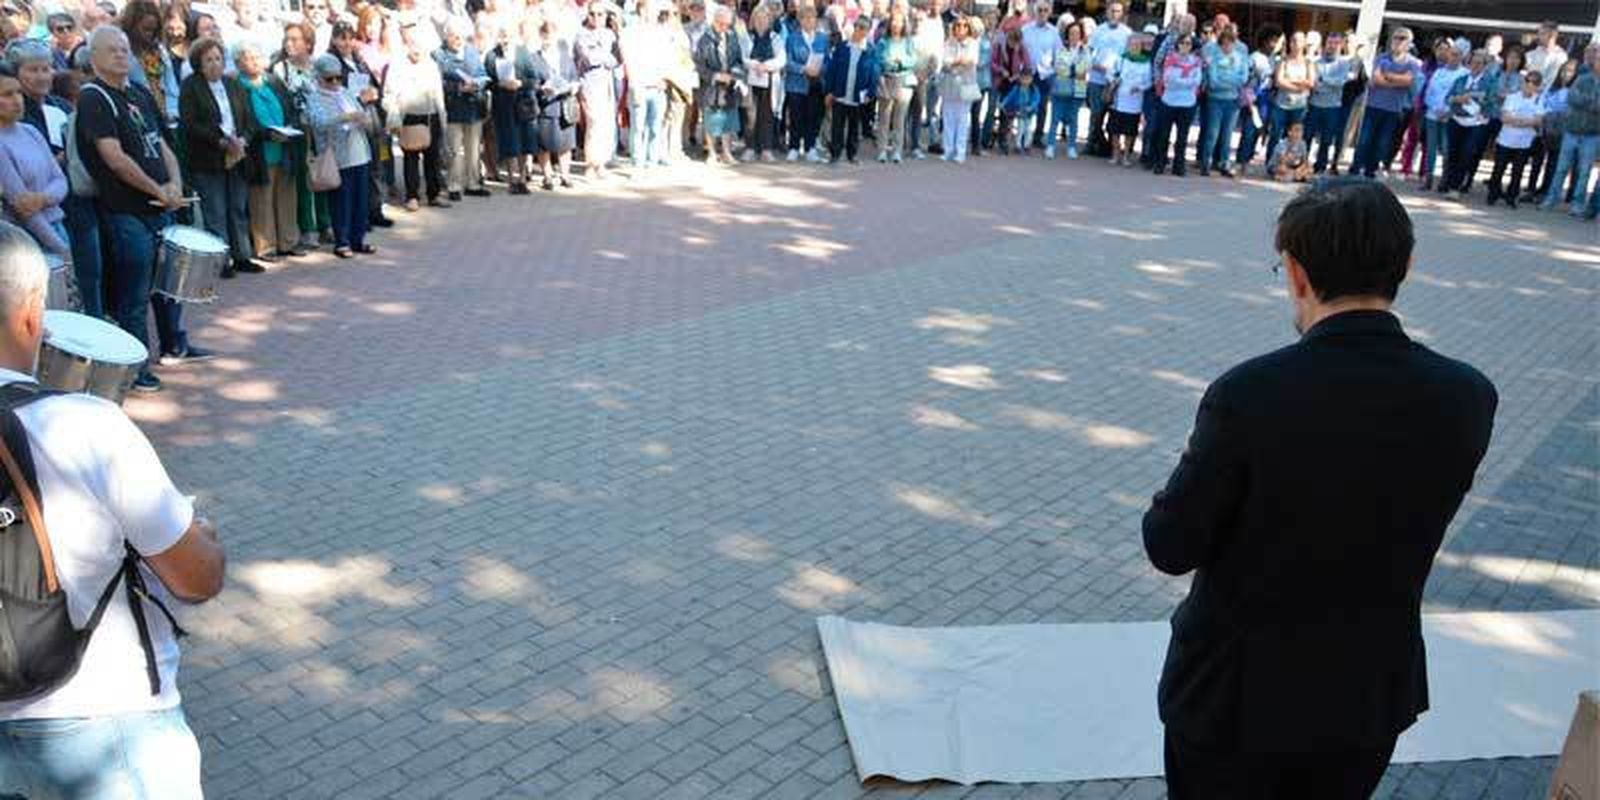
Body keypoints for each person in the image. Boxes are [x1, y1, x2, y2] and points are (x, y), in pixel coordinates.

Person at [1144, 178, 1497, 800]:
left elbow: (1171, 545)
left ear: (1297, 273)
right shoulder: (1466, 394)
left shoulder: (1249, 393)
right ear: (1406, 265)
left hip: (1236, 697)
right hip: (1365, 692)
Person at [0, 222, 225, 800]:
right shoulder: (84, 423)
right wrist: (203, 536)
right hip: (106, 720)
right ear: (31, 317)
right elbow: (195, 579)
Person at [78, 26, 213, 394]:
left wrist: (175, 185)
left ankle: (175, 344)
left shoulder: (137, 91)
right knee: (133, 295)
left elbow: (162, 144)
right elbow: (114, 158)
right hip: (126, 211)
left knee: (168, 285)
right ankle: (134, 368)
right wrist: (158, 189)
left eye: (125, 49)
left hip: (160, 207)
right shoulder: (93, 97)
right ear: (94, 57)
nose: (122, 55)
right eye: (112, 50)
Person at [179, 37, 260, 278]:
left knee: (237, 206)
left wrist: (243, 139)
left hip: (238, 154)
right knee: (215, 210)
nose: (215, 64)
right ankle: (221, 261)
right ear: (198, 64)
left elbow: (248, 118)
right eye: (208, 60)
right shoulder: (191, 86)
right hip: (209, 156)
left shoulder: (233, 84)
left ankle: (242, 255)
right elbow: (190, 123)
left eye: (218, 59)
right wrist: (220, 141)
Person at [236, 40, 303, 261]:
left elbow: (290, 106)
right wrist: (266, 134)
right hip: (260, 151)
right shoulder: (237, 87)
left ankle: (288, 241)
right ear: (238, 62)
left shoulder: (273, 81)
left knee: (287, 195)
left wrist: (291, 127)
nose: (254, 61)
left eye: (257, 56)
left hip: (284, 147)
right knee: (261, 199)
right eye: (248, 57)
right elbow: (244, 119)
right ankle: (266, 247)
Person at [306, 52, 375, 258]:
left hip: (359, 150)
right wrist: (343, 117)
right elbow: (318, 123)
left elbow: (361, 113)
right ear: (319, 78)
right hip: (337, 155)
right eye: (330, 78)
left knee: (360, 199)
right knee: (342, 200)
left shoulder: (345, 93)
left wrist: (364, 118)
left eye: (338, 77)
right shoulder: (315, 97)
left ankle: (358, 239)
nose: (335, 82)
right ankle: (342, 241)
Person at [272, 22, 330, 250]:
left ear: (308, 43)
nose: (290, 44)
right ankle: (307, 228)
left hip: (319, 129)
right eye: (287, 39)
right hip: (296, 131)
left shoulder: (318, 67)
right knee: (303, 179)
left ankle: (325, 223)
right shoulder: (280, 69)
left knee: (323, 174)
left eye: (295, 39)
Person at [0, 62, 67, 255]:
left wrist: (42, 198)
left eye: (18, 92)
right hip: (28, 241)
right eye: (7, 95)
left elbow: (60, 180)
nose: (17, 100)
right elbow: (24, 209)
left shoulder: (30, 132)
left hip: (58, 224)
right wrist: (61, 249)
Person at [384, 23, 449, 211]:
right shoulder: (397, 65)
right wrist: (394, 116)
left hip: (431, 116)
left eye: (421, 45)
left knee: (433, 157)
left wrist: (442, 118)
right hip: (410, 117)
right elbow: (389, 94)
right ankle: (412, 196)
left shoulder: (431, 65)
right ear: (407, 45)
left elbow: (439, 94)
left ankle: (433, 194)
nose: (417, 49)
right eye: (413, 44)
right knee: (410, 158)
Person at [1351, 27, 1420, 179]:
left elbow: (1408, 81)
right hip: (1373, 105)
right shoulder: (1381, 58)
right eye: (1396, 37)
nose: (1398, 41)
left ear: (1409, 43)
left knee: (1382, 143)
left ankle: (1370, 171)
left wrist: (1387, 77)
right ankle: (1355, 169)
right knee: (1364, 140)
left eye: (1402, 38)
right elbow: (1376, 79)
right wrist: (1397, 80)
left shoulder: (1413, 63)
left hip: (1394, 109)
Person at [1541, 42, 1598, 215]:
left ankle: (1577, 204)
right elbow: (1573, 98)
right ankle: (1551, 199)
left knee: (1584, 172)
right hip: (1572, 131)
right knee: (1561, 169)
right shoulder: (1582, 78)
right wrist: (1592, 103)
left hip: (1592, 134)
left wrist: (1586, 102)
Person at [436, 17, 490, 198]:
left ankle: (473, 183)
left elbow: (483, 74)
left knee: (473, 149)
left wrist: (479, 84)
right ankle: (453, 186)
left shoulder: (472, 51)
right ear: (446, 37)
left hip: (474, 107)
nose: (458, 40)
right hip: (453, 108)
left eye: (460, 36)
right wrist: (458, 88)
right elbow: (437, 82)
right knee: (454, 149)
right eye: (454, 36)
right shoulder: (438, 55)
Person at [621, 1, 671, 171]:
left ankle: (652, 162)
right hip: (640, 86)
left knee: (656, 127)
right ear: (642, 11)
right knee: (638, 127)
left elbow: (666, 58)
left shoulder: (661, 32)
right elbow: (628, 59)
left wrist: (664, 78)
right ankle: (637, 163)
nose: (656, 13)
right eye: (653, 10)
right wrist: (635, 83)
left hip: (658, 86)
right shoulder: (630, 32)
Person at [1436, 50, 1493, 199]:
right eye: (1473, 62)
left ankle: (1456, 187)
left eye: (1479, 63)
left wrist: (1474, 97)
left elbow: (1491, 101)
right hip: (1456, 120)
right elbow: (1448, 98)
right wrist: (1457, 99)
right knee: (1452, 153)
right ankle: (1448, 182)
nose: (1475, 66)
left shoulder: (1490, 81)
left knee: (1466, 154)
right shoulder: (1461, 79)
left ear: (1485, 66)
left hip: (1476, 123)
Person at [528, 19, 578, 190]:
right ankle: (547, 176)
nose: (548, 38)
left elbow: (574, 78)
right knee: (544, 143)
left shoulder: (565, 57)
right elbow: (531, 81)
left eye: (551, 34)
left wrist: (573, 87)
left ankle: (565, 175)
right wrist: (542, 88)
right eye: (545, 34)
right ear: (541, 35)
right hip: (546, 105)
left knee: (566, 142)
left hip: (565, 104)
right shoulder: (534, 58)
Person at [574, 3, 620, 177]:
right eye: (592, 14)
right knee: (593, 124)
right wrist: (604, 56)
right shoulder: (581, 34)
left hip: (606, 84)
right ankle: (590, 164)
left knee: (606, 124)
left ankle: (601, 162)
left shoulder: (609, 34)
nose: (596, 17)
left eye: (600, 14)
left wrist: (602, 55)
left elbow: (616, 59)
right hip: (589, 85)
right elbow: (589, 59)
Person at [823, 16, 876, 165]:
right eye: (858, 26)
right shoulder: (843, 46)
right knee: (837, 126)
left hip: (857, 96)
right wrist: (829, 91)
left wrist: (870, 94)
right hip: (840, 94)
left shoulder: (870, 50)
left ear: (867, 31)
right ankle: (835, 154)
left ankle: (852, 154)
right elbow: (832, 70)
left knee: (854, 127)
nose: (859, 30)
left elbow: (874, 73)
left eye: (863, 28)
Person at [695, 6, 744, 166]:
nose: (724, 27)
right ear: (715, 21)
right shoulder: (705, 39)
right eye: (722, 23)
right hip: (711, 86)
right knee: (711, 119)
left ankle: (727, 152)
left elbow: (738, 59)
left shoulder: (732, 36)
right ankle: (711, 152)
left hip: (729, 86)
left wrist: (734, 74)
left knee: (728, 119)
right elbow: (701, 66)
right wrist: (716, 76)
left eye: (727, 24)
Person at [1487, 70, 1543, 209]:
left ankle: (1511, 197)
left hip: (1524, 142)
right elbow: (1504, 118)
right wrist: (1525, 121)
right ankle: (1493, 194)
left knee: (1517, 171)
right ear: (1523, 82)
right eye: (1528, 81)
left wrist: (1516, 120)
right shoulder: (1512, 97)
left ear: (1538, 86)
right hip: (1505, 139)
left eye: (1534, 82)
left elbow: (1537, 121)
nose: (1530, 84)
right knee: (1499, 168)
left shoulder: (1539, 99)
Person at [1196, 24, 1245, 177]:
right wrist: (1230, 81)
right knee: (1212, 133)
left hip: (1233, 102)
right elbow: (1213, 81)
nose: (1227, 46)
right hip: (1215, 100)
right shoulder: (1214, 58)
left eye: (1230, 42)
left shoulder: (1240, 58)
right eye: (1224, 42)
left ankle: (1224, 163)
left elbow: (1242, 79)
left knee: (1227, 134)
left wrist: (1226, 81)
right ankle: (1206, 163)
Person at [1150, 32, 1199, 176]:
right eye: (1183, 43)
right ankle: (1160, 163)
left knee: (1182, 138)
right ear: (1177, 45)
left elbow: (1196, 81)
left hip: (1187, 103)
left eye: (1188, 43)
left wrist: (1181, 80)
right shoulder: (1170, 59)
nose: (1185, 46)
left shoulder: (1195, 61)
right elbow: (1168, 80)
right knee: (1164, 135)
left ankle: (1179, 166)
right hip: (1169, 101)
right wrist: (1186, 80)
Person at [1084, 0, 1128, 158]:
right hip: (1097, 78)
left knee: (1113, 115)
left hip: (1115, 82)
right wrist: (1094, 66)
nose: (1114, 14)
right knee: (1096, 114)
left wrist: (1118, 74)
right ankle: (1091, 143)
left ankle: (1110, 147)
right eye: (1112, 10)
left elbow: (1127, 57)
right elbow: (1089, 51)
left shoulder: (1127, 33)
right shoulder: (1098, 30)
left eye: (1118, 11)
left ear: (1122, 14)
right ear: (1107, 12)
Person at [1418, 39, 1464, 191]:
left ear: (1462, 57)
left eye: (1457, 55)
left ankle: (1445, 180)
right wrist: (1434, 107)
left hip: (1450, 117)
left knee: (1446, 149)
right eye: (1451, 54)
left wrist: (1448, 111)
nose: (1453, 57)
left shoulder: (1464, 74)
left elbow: (1461, 96)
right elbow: (1429, 92)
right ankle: (1427, 178)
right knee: (1430, 148)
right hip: (1432, 114)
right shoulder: (1439, 71)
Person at [782, 4, 827, 162]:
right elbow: (787, 61)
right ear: (800, 20)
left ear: (816, 20)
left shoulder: (822, 38)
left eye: (812, 18)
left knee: (813, 117)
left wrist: (820, 69)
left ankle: (810, 148)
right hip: (796, 84)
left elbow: (827, 60)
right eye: (805, 18)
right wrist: (803, 69)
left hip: (815, 84)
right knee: (796, 117)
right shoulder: (792, 38)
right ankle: (794, 147)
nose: (809, 21)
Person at [744, 4, 786, 162]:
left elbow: (782, 59)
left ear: (769, 20)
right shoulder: (747, 37)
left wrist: (766, 66)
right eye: (758, 18)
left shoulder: (776, 38)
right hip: (751, 80)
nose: (761, 21)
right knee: (750, 115)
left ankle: (766, 149)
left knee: (767, 115)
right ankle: (750, 148)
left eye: (764, 18)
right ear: (753, 20)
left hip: (769, 80)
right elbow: (742, 57)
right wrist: (755, 65)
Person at [1307, 30, 1352, 175]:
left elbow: (1340, 83)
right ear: (1325, 44)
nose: (1332, 46)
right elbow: (1314, 83)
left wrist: (1324, 80)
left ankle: (1320, 167)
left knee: (1326, 140)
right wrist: (1327, 83)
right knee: (1307, 137)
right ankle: (1303, 166)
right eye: (1330, 43)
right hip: (1315, 105)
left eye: (1336, 43)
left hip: (1333, 107)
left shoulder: (1345, 63)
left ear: (1341, 45)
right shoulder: (1315, 61)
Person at [874, 8, 915, 163]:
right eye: (894, 21)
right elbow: (878, 60)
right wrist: (888, 64)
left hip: (903, 81)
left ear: (904, 24)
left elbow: (913, 60)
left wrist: (901, 62)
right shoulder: (884, 41)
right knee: (884, 118)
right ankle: (882, 150)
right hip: (887, 79)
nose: (896, 24)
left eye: (899, 21)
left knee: (899, 119)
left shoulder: (908, 41)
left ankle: (897, 151)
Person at [1045, 19, 1089, 159]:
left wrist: (1072, 70)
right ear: (1067, 35)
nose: (1074, 36)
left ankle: (1071, 147)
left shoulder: (1085, 51)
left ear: (1081, 35)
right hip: (1061, 89)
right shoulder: (1061, 50)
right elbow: (1059, 68)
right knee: (1055, 119)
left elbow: (1086, 67)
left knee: (1073, 120)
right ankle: (1051, 146)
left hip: (1078, 89)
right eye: (1071, 33)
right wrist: (1074, 70)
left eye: (1077, 33)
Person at [937, 13, 977, 163]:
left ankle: (960, 151)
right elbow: (945, 61)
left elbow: (971, 61)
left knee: (962, 119)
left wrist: (955, 63)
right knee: (948, 118)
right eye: (958, 25)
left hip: (966, 84)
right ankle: (948, 150)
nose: (961, 28)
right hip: (950, 84)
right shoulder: (948, 43)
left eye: (964, 25)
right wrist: (957, 62)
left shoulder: (973, 43)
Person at [1106, 31, 1147, 168]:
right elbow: (1110, 73)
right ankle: (1115, 154)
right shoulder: (1121, 59)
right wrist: (1113, 80)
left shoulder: (1146, 63)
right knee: (1114, 130)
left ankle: (1126, 156)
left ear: (1141, 46)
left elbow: (1149, 82)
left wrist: (1140, 87)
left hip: (1134, 103)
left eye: (1137, 45)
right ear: (1128, 46)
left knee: (1130, 132)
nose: (1134, 47)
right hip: (1118, 101)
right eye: (1132, 44)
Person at [1018, 0, 1056, 149]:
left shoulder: (1053, 32)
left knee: (1042, 106)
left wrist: (1053, 69)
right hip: (1027, 74)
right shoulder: (1025, 29)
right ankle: (1022, 135)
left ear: (1049, 12)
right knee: (1024, 105)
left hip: (1044, 75)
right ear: (1034, 12)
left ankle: (1037, 136)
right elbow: (1019, 50)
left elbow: (1058, 53)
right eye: (1039, 10)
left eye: (1045, 10)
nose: (1042, 13)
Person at [1524, 20, 1567, 89]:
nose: (1539, 37)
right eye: (1539, 33)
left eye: (1543, 34)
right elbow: (1524, 73)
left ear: (1553, 35)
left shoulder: (1561, 56)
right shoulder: (1530, 54)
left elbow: (1554, 79)